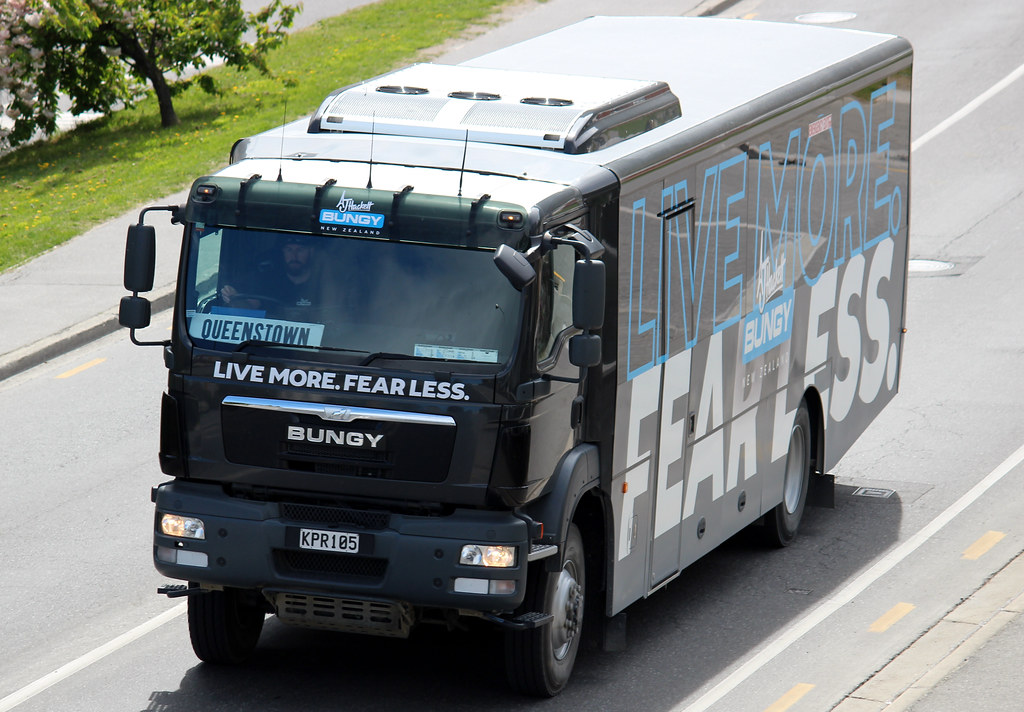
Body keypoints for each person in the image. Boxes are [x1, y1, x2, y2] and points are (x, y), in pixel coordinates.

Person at [219, 237, 320, 313]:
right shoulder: (268, 281)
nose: (294, 256)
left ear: (311, 251)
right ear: (282, 252)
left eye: (300, 250)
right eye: (289, 249)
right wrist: (235, 298)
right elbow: (249, 307)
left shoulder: (322, 284)